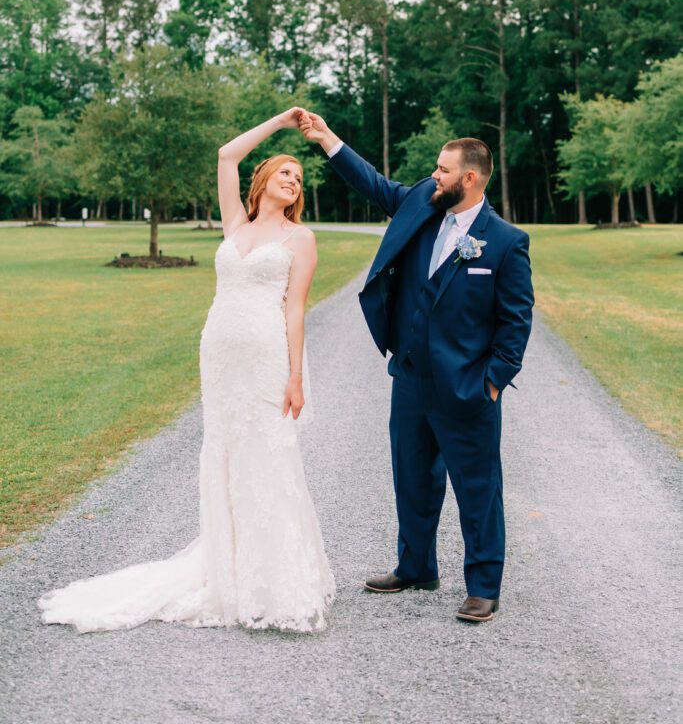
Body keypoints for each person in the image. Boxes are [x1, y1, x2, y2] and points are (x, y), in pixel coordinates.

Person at [38, 108, 335, 634]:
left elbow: (294, 309)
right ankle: (228, 570)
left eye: (299, 178)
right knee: (223, 453)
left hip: (265, 355)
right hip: (218, 352)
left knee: (268, 452)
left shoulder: (301, 238)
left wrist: (295, 376)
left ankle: (275, 576)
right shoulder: (235, 224)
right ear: (264, 179)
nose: (293, 181)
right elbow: (226, 154)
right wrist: (280, 123)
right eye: (285, 172)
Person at [299, 110, 533, 622]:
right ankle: (416, 567)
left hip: (467, 388)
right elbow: (374, 184)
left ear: (469, 178)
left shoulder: (507, 242)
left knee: (477, 489)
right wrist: (326, 139)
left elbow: (516, 324)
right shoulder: (420, 206)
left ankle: (483, 586)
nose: (434, 177)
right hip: (409, 379)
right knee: (412, 478)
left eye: (443, 170)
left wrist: (492, 383)